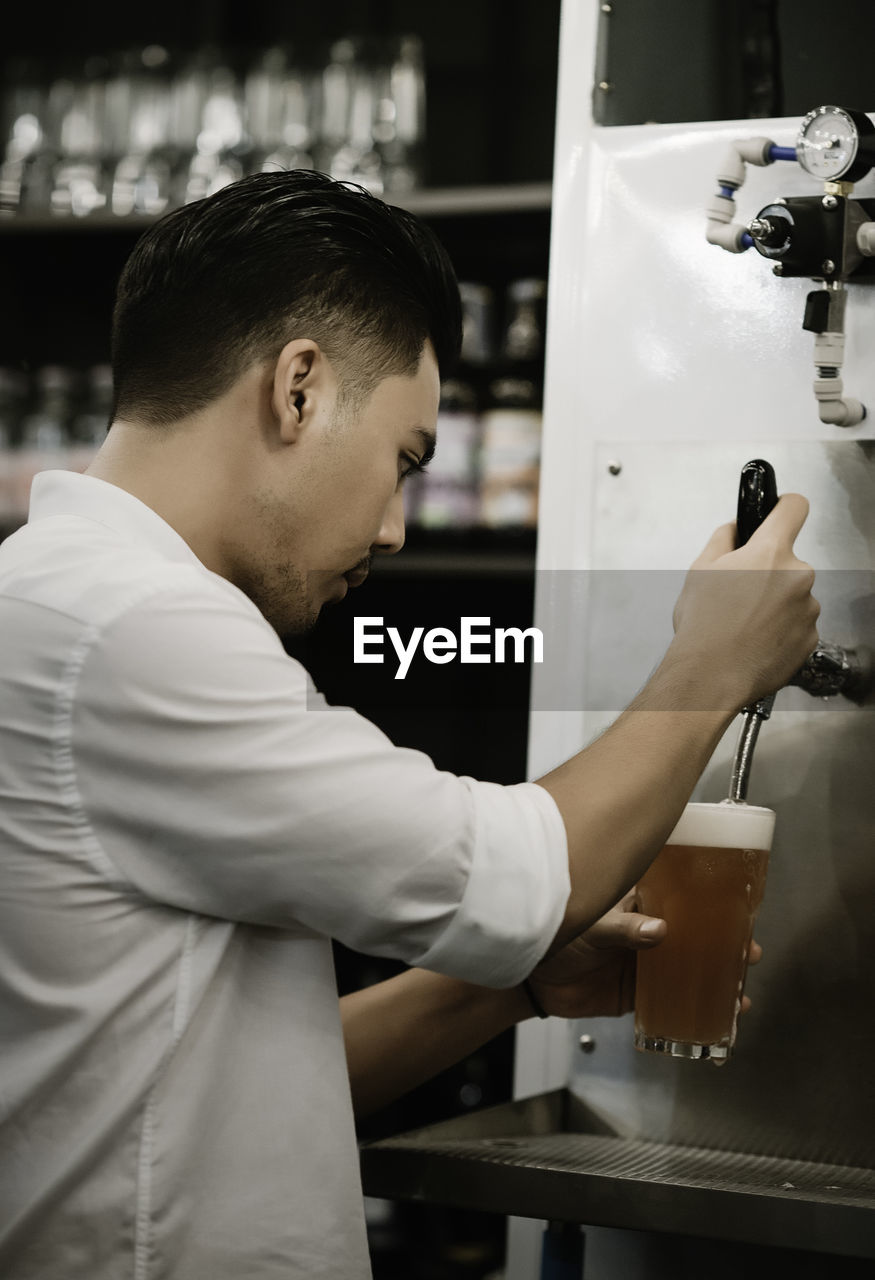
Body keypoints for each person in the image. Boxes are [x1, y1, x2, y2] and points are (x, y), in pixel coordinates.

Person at [0, 170, 818, 1279]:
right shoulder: (132, 624)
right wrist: (706, 665)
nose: (391, 528)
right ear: (297, 388)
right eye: (403, 460)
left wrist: (521, 987)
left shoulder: (65, 599)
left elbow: (226, 1081)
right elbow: (517, 876)